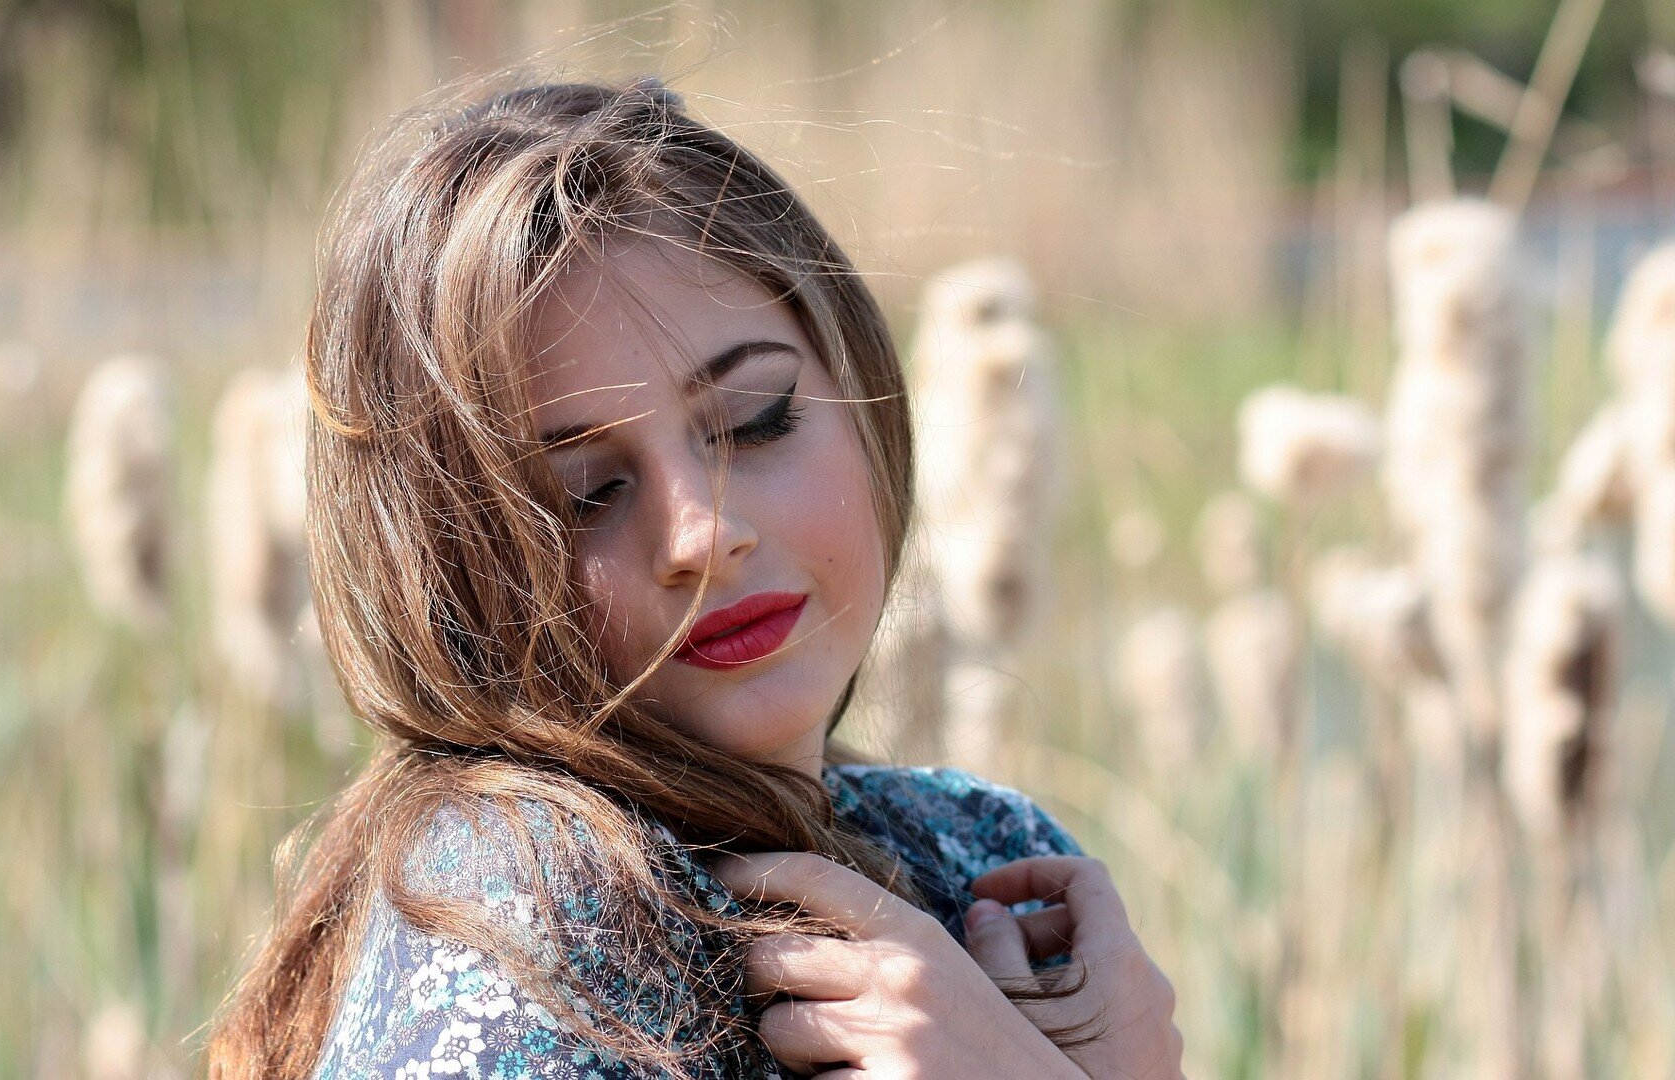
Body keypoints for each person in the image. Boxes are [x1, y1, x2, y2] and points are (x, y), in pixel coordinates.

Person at [206, 72, 1183, 1079]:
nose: (702, 535)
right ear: (444, 579)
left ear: (858, 382)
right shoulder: (522, 942)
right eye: (585, 494)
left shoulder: (988, 861)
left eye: (756, 420)